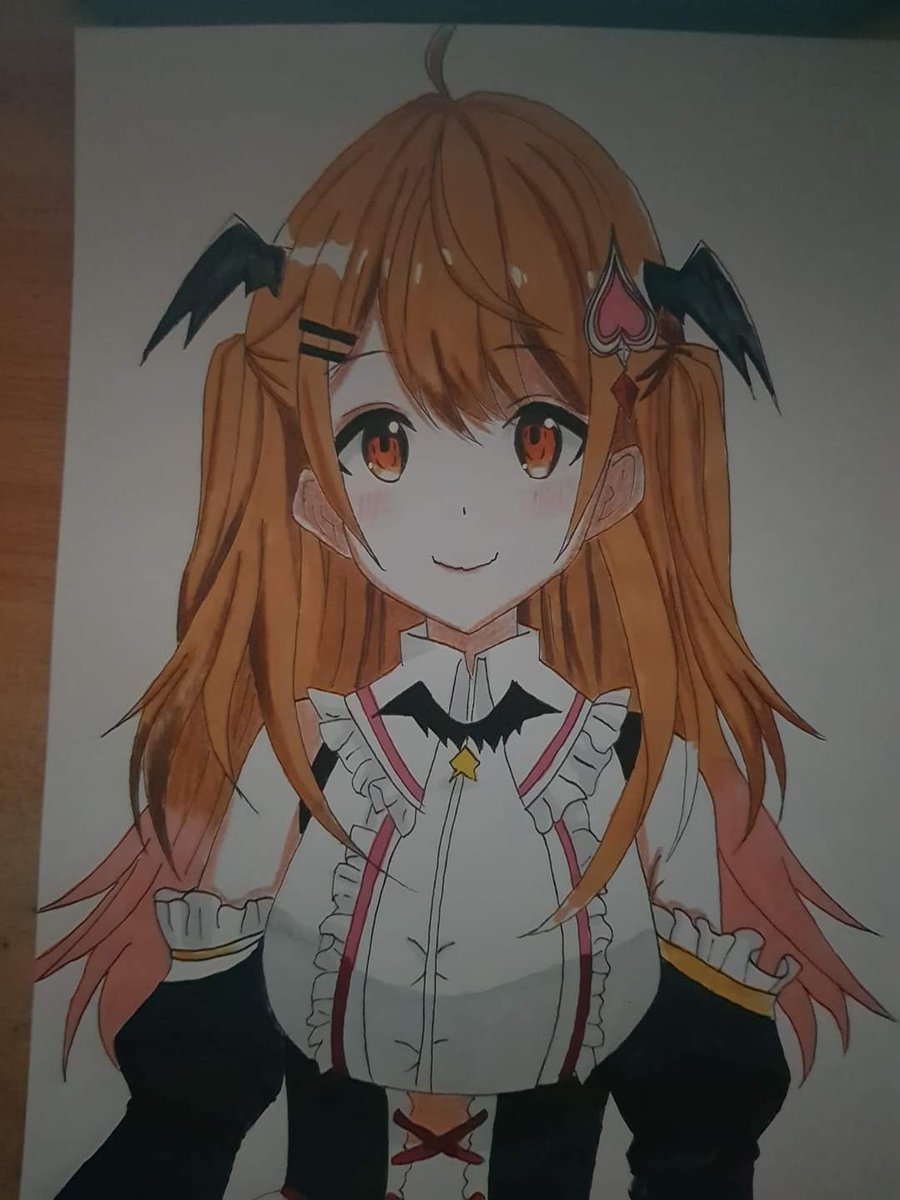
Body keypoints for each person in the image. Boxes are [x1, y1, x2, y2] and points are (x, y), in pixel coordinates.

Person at [37, 26, 883, 1200]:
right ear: (319, 501)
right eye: (382, 440)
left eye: (537, 434)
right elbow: (203, 1080)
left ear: (616, 485)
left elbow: (692, 1097)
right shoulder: (306, 751)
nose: (464, 507)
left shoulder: (640, 766)